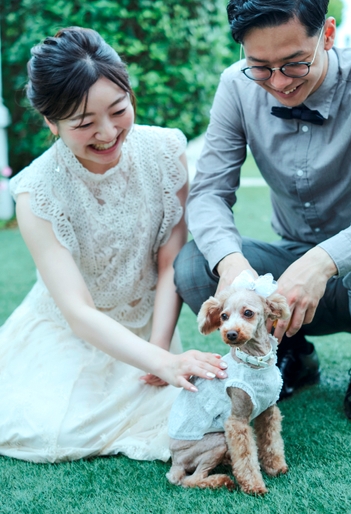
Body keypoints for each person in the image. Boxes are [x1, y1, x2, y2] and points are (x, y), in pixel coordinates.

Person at [174, 0, 351, 420]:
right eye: (260, 67)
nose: (278, 83)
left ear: (328, 34)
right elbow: (209, 192)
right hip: (283, 267)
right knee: (196, 265)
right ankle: (290, 352)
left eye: (295, 63)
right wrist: (233, 265)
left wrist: (322, 261)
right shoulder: (235, 87)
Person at [0, 27, 227, 463]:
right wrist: (161, 363)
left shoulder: (166, 151)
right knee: (58, 426)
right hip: (71, 333)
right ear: (51, 123)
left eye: (119, 110)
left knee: (192, 404)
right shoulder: (36, 192)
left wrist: (159, 350)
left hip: (151, 325)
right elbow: (78, 311)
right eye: (84, 124)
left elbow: (170, 262)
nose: (107, 132)